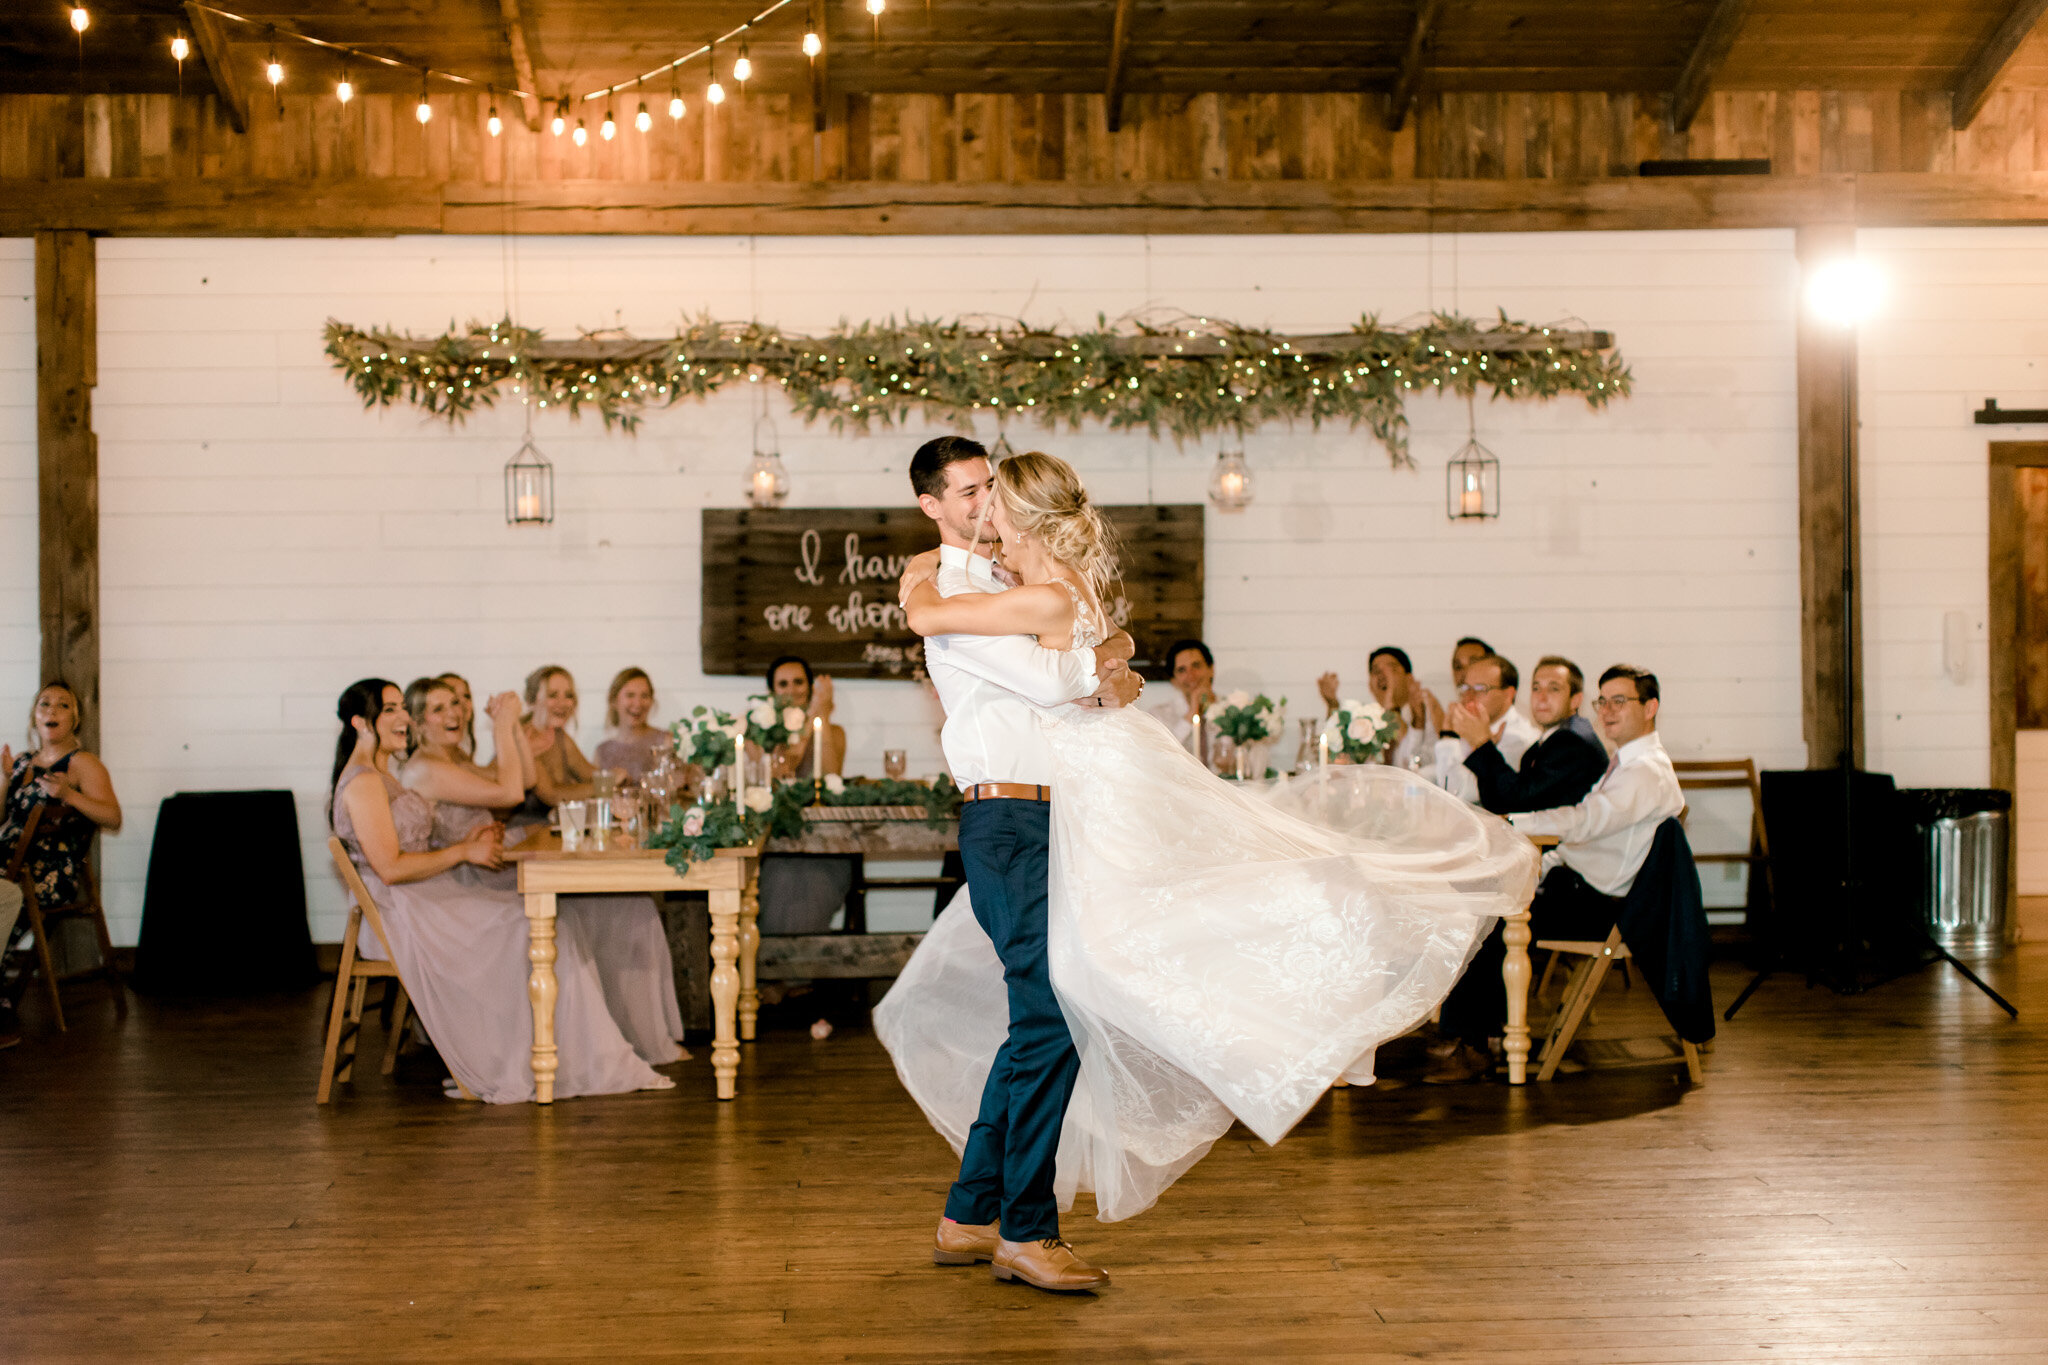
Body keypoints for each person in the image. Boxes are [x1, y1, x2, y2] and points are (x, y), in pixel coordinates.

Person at [880, 446, 1535, 1291]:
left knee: (1046, 1016)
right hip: (1011, 818)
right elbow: (1055, 679)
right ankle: (1023, 1229)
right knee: (1050, 1019)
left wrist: (1105, 656)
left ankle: (975, 1212)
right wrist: (1087, 655)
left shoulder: (994, 590)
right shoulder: (959, 597)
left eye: (992, 491)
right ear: (934, 504)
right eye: (970, 492)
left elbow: (1087, 665)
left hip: (1060, 818)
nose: (982, 505)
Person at [330, 678, 677, 1103]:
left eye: (403, 707)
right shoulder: (365, 782)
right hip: (402, 911)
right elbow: (389, 868)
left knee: (549, 923)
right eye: (390, 710)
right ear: (360, 723)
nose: (403, 717)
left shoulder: (384, 774)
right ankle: (530, 1060)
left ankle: (573, 1055)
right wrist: (463, 851)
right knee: (534, 930)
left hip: (427, 894)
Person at [1427, 664, 1683, 1084]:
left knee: (1487, 920)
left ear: (1650, 707)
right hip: (1590, 890)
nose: (1608, 710)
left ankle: (1473, 1047)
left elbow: (1584, 822)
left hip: (1607, 909)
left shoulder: (1645, 771)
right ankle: (1472, 1038)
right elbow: (1585, 831)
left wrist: (1515, 824)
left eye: (1621, 700)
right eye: (1605, 701)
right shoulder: (1628, 763)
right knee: (1487, 899)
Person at [1, 682, 124, 1028]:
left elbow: (113, 818)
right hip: (7, 864)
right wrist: (6, 779)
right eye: (44, 704)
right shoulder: (24, 762)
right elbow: (3, 820)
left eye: (62, 705)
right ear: (34, 717)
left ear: (75, 718)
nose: (52, 711)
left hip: (46, 873)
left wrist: (70, 794)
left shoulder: (83, 764)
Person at [1453, 655, 1607, 816]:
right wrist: (1484, 746)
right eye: (1536, 688)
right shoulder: (1550, 739)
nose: (1541, 697)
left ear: (1575, 700)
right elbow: (1497, 803)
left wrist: (1483, 743)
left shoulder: (1571, 740)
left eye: (1554, 689)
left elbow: (1518, 802)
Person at [1430, 653, 1540, 804]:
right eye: (1465, 688)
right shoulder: (1473, 726)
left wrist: (1448, 737)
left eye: (1480, 688)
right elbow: (1438, 774)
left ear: (1508, 694)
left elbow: (1458, 792)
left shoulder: (1519, 738)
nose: (1468, 697)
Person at [1318, 646, 1428, 771]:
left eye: (1391, 669)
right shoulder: (1363, 717)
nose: (1382, 675)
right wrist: (1332, 705)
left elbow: (1408, 760)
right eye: (1376, 671)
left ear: (1409, 679)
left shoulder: (1424, 712)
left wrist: (1391, 707)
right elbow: (1338, 759)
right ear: (1370, 684)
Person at [522, 665, 596, 808]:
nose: (562, 703)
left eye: (568, 696)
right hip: (522, 828)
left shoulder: (559, 736)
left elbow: (591, 774)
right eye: (553, 695)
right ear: (531, 701)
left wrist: (619, 776)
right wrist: (607, 784)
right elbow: (551, 794)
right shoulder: (524, 738)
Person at [764, 655, 846, 781]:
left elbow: (831, 778)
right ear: (772, 691)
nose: (791, 690)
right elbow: (782, 774)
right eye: (783, 684)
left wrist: (821, 713)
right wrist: (812, 715)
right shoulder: (762, 734)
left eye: (798, 682)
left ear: (810, 687)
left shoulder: (835, 733)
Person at [593, 668, 671, 780]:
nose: (638, 703)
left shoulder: (665, 742)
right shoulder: (602, 751)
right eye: (630, 695)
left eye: (644, 696)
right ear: (614, 700)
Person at [1146, 639, 1215, 750]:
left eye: (1196, 665)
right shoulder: (1159, 715)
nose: (1191, 675)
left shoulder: (1232, 710)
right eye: (1182, 670)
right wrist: (1192, 712)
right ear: (1174, 680)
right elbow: (1163, 753)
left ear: (1211, 669)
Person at [437, 672, 478, 758]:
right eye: (454, 697)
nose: (463, 702)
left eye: (466, 696)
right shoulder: (433, 754)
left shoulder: (462, 748)